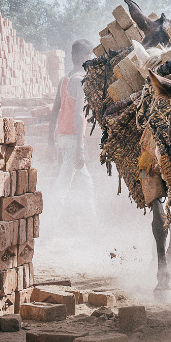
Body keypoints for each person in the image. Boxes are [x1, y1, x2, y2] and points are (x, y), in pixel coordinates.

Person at [48, 39, 97, 222]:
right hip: (73, 139)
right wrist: (80, 148)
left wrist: (51, 141)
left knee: (86, 183)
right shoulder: (80, 80)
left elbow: (54, 113)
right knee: (63, 184)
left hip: (64, 137)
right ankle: (49, 228)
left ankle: (92, 225)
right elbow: (78, 115)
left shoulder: (64, 80)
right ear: (83, 57)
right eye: (90, 55)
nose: (92, 59)